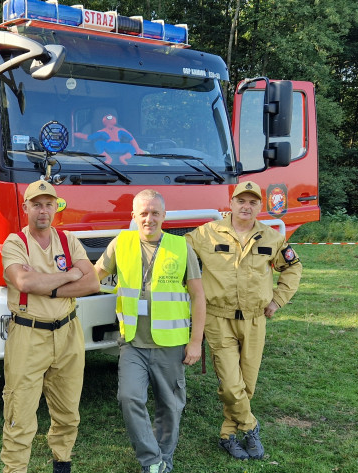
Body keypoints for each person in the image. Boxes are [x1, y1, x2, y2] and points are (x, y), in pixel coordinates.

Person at [184, 181, 302, 461]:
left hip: (254, 319)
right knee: (229, 382)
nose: (246, 207)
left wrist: (277, 300)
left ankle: (228, 434)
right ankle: (250, 426)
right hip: (218, 318)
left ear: (259, 206)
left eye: (252, 202)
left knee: (246, 384)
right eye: (241, 201)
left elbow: (293, 267)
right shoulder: (206, 234)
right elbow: (175, 252)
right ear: (231, 204)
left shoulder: (272, 238)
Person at [94, 189, 206, 473]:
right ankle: (151, 458)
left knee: (170, 406)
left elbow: (199, 296)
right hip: (133, 342)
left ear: (164, 216)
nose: (149, 219)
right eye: (143, 213)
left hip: (170, 344)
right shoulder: (122, 242)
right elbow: (94, 275)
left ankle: (162, 461)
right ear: (133, 216)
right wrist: (59, 283)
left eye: (155, 213)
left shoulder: (181, 248)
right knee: (129, 397)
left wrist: (195, 343)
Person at [0, 180, 100, 473]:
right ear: (26, 207)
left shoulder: (68, 240)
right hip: (28, 334)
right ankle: (15, 469)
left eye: (48, 204)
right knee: (20, 413)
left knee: (68, 410)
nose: (43, 211)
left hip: (67, 332)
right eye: (36, 204)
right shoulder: (15, 242)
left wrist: (50, 286)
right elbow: (25, 282)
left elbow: (92, 282)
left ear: (56, 207)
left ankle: (62, 461)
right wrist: (69, 274)